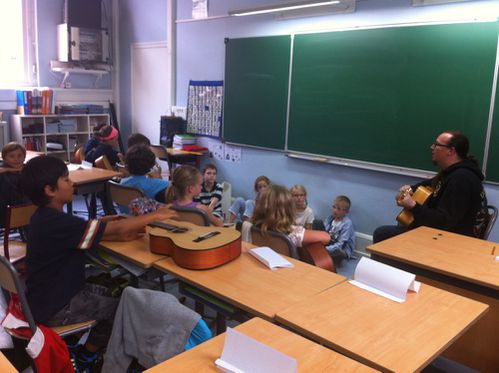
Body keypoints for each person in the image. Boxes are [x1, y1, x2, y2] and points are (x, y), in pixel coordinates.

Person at [20, 155, 177, 370]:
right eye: (66, 180)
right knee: (121, 309)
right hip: (58, 306)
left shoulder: (43, 217)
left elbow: (86, 232)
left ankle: (77, 344)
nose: (72, 183)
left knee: (115, 291)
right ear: (50, 190)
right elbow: (117, 230)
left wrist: (104, 226)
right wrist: (155, 215)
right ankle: (87, 354)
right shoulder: (58, 222)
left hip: (42, 299)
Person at [373, 131, 487, 242]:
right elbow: (428, 184)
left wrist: (413, 206)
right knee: (397, 227)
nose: (432, 147)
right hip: (439, 232)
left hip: (450, 240)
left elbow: (442, 223)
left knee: (381, 234)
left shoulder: (461, 179)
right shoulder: (450, 173)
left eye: (437, 145)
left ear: (451, 151)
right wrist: (410, 190)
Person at [251, 184, 330, 257]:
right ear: (287, 209)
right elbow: (326, 237)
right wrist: (294, 229)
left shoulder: (249, 227)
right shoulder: (293, 234)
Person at [119, 145, 170, 213]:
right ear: (151, 163)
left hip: (124, 219)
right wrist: (159, 178)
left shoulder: (122, 183)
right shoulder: (160, 184)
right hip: (147, 221)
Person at [0, 142, 29, 227]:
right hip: (6, 212)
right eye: (11, 156)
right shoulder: (3, 173)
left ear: (24, 157)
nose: (16, 159)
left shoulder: (27, 169)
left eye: (20, 155)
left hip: (24, 208)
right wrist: (10, 170)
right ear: (4, 159)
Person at [324, 195, 356, 265]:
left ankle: (326, 254)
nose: (335, 210)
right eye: (334, 207)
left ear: (346, 212)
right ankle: (323, 253)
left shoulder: (347, 223)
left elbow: (342, 244)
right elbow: (323, 233)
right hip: (330, 243)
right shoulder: (330, 218)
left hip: (341, 248)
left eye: (339, 209)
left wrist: (326, 249)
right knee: (317, 222)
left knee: (338, 252)